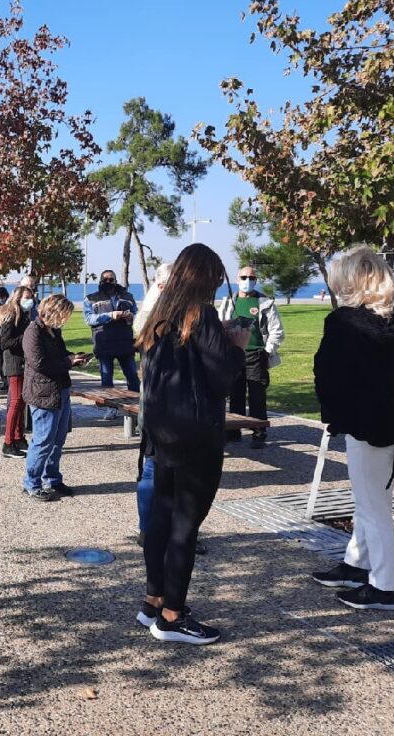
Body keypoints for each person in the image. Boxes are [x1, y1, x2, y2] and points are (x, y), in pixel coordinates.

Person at [136, 243, 248, 645]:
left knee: (161, 521)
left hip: (163, 433)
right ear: (206, 280)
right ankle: (171, 615)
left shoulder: (159, 317)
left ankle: (153, 598)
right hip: (197, 435)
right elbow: (222, 378)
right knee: (185, 526)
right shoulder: (201, 317)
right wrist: (236, 347)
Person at [312, 245, 394, 611]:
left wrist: (332, 414)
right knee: (372, 499)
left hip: (363, 422)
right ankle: (356, 564)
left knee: (373, 507)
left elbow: (328, 375)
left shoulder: (343, 322)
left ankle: (384, 586)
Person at [21, 294, 89, 500]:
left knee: (58, 439)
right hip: (43, 393)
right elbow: (40, 364)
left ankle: (52, 478)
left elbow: (59, 354)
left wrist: (74, 357)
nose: (65, 320)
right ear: (52, 312)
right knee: (43, 441)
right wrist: (68, 363)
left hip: (60, 389)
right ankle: (31, 483)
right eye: (63, 315)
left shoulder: (53, 331)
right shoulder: (33, 333)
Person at [218, 265, 285, 448]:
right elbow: (220, 327)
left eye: (251, 278)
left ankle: (259, 432)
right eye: (244, 277)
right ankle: (234, 431)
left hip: (256, 354)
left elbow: (277, 331)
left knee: (257, 394)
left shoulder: (264, 303)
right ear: (237, 279)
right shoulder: (227, 302)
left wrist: (267, 351)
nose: (248, 281)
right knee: (235, 393)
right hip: (234, 354)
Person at [133, 262, 174, 549]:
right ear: (162, 286)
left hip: (160, 399)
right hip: (162, 400)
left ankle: (156, 529)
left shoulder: (150, 314)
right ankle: (150, 529)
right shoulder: (156, 315)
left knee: (157, 468)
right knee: (153, 468)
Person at [84, 270, 141, 394]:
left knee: (133, 377)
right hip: (104, 344)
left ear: (116, 281)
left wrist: (131, 316)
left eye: (111, 279)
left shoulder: (128, 297)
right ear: (100, 282)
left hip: (125, 343)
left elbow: (137, 315)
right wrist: (110, 315)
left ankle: (137, 406)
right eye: (105, 280)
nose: (108, 282)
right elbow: (89, 319)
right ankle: (110, 410)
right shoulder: (91, 299)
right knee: (106, 380)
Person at [0, 285, 33, 458]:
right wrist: (25, 335)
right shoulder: (10, 315)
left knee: (21, 402)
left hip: (24, 364)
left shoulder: (24, 315)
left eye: (31, 296)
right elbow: (4, 343)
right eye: (26, 297)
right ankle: (8, 443)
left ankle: (18, 437)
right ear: (17, 298)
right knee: (15, 402)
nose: (29, 300)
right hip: (14, 364)